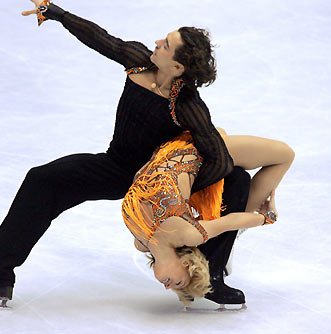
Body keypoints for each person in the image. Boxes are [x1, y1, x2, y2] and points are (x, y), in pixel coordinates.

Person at [0, 0, 250, 307]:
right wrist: (57, 14)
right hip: (116, 167)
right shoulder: (139, 60)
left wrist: (177, 189)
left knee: (238, 180)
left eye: (166, 44)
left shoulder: (186, 104)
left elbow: (220, 160)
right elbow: (101, 39)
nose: (157, 41)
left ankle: (211, 277)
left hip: (155, 182)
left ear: (177, 66)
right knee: (42, 180)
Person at [123, 129, 294, 307]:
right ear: (187, 263)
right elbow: (230, 221)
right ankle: (229, 237)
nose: (168, 287)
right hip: (199, 153)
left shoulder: (141, 242)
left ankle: (229, 236)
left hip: (179, 147)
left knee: (229, 145)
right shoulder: (186, 234)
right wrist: (267, 218)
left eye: (180, 285)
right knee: (285, 155)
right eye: (178, 283)